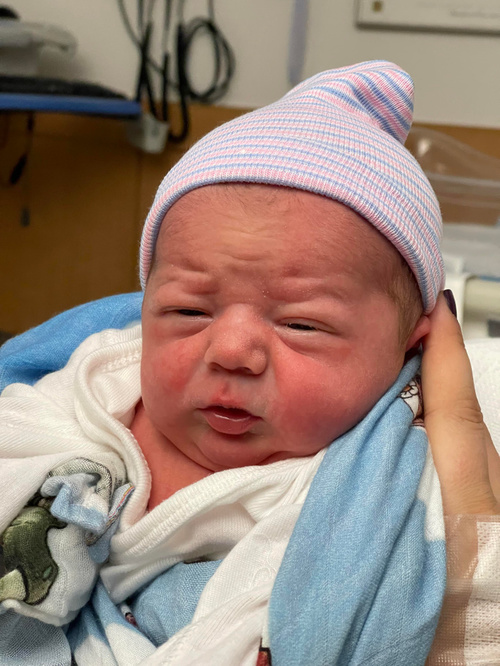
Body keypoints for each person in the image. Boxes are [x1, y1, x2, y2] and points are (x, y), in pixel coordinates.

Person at [0, 61, 499, 665]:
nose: (231, 352)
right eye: (187, 311)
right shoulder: (97, 388)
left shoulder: (377, 491)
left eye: (301, 324)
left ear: (411, 346)